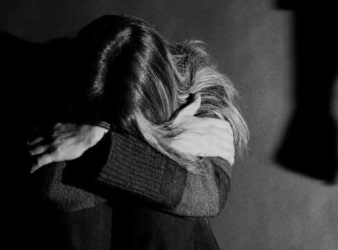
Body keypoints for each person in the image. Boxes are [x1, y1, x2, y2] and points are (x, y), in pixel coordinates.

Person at [26, 15, 249, 250]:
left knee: (164, 207)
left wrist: (101, 143)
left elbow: (211, 194)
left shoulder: (197, 93)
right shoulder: (51, 91)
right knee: (74, 196)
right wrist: (159, 148)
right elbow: (51, 186)